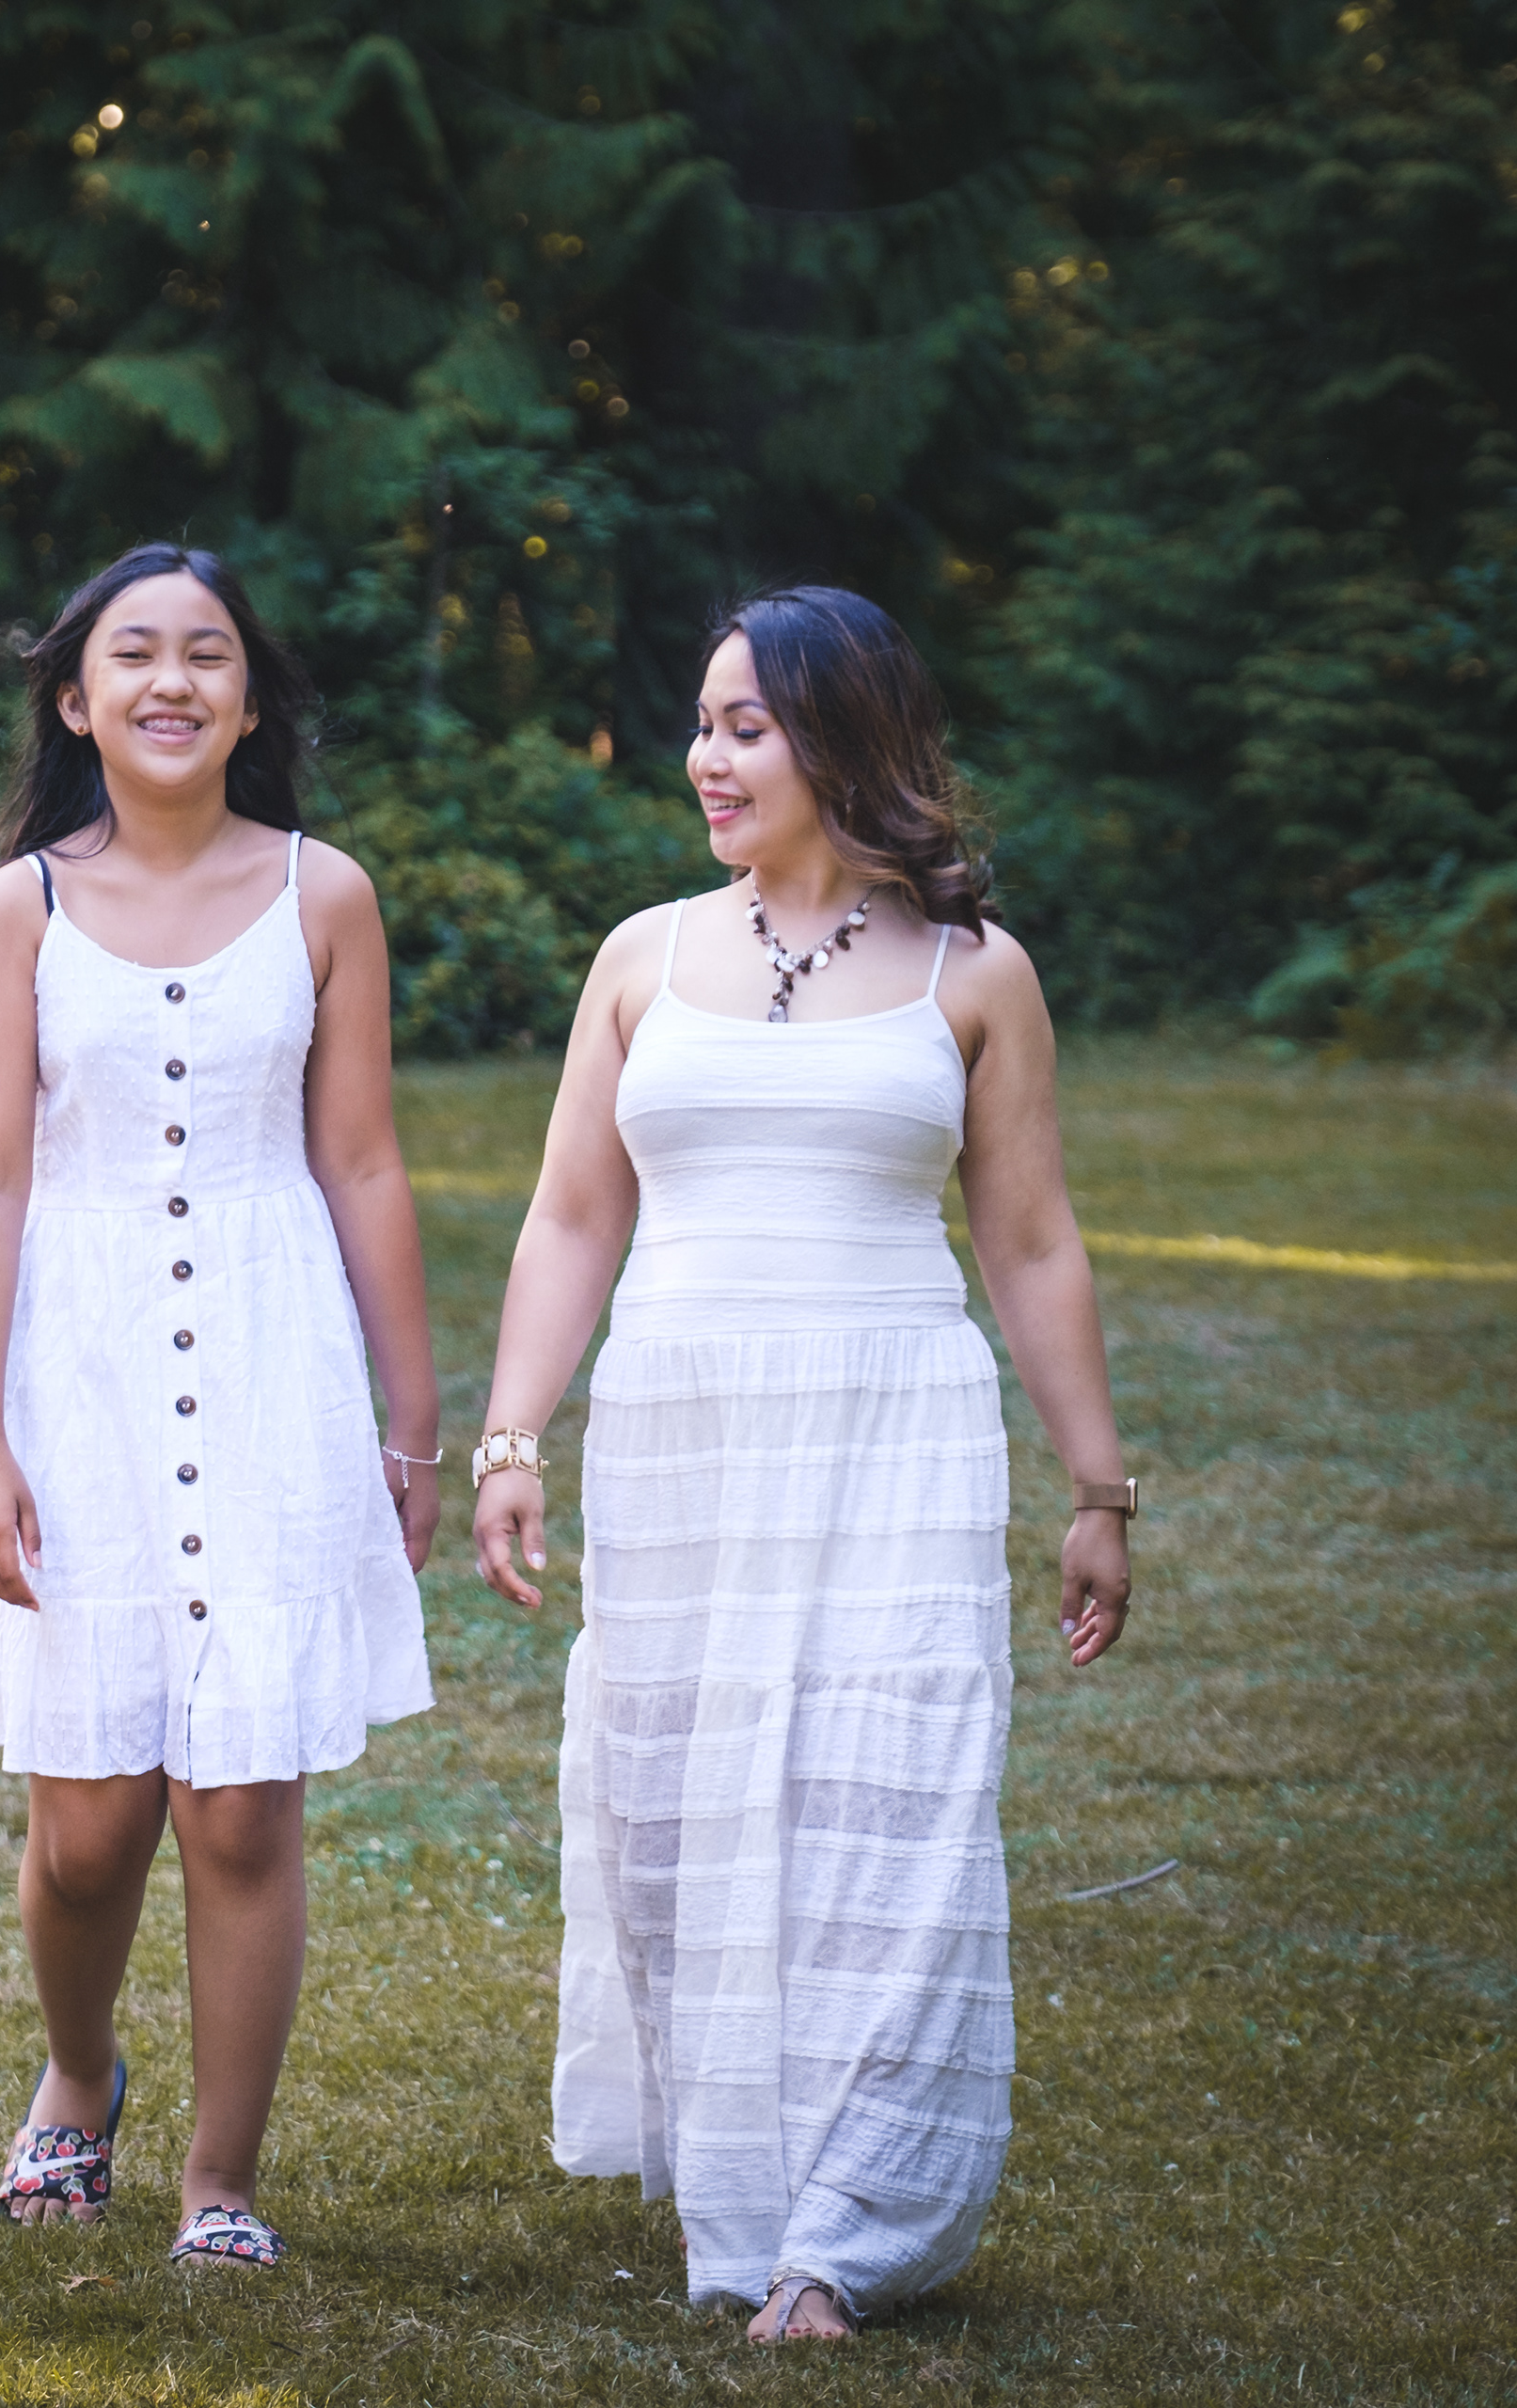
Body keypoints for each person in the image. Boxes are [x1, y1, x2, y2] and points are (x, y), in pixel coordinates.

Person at [470, 586, 1133, 2343]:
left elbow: (1033, 1241)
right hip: (682, 1433)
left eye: (746, 726)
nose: (706, 757)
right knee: (674, 1803)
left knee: (888, 1800)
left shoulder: (973, 972)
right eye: (703, 724)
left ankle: (844, 2230)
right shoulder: (642, 958)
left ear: (842, 738)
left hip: (892, 1430)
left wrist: (1097, 1488)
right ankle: (749, 2179)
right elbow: (570, 1214)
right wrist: (513, 1436)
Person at [0, 543, 442, 2271]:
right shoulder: (19, 912)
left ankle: (221, 2182)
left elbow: (361, 1163)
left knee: (238, 1804)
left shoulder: (324, 895)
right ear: (77, 701)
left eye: (207, 653)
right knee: (87, 1829)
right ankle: (80, 2073)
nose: (172, 681)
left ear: (250, 698)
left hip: (271, 1358)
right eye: (134, 654)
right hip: (77, 1378)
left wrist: (415, 1421)